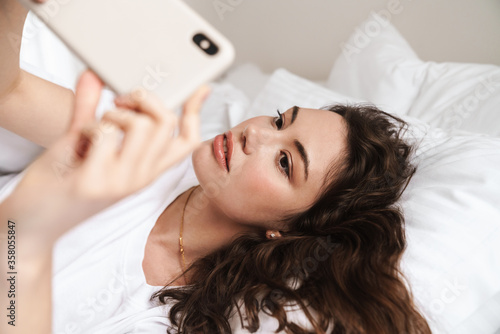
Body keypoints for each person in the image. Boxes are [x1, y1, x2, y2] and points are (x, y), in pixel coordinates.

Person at [0, 1, 431, 333]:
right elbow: (10, 92)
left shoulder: (177, 314)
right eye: (280, 120)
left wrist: (25, 236)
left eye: (284, 162)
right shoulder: (147, 150)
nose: (255, 134)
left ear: (285, 229)